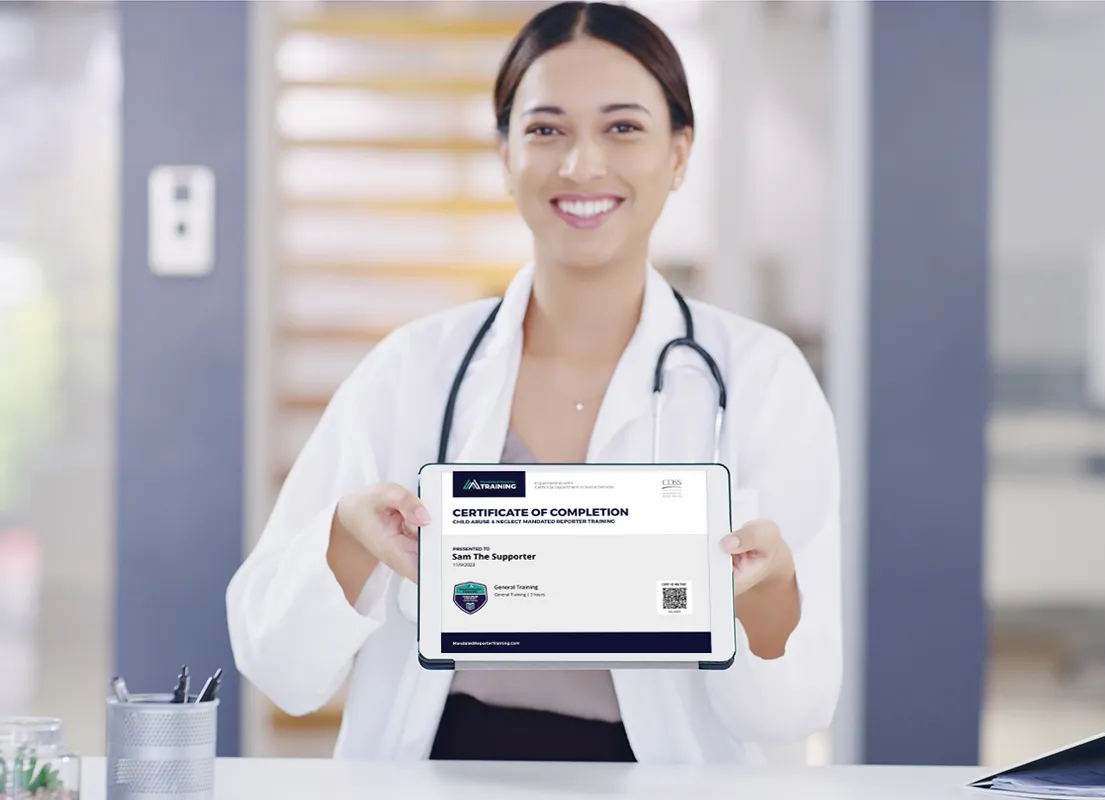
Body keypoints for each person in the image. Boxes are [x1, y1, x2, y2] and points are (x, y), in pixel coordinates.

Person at [227, 0, 842, 765]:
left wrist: (770, 599)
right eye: (546, 129)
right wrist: (349, 545)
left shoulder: (759, 379)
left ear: (680, 153)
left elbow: (791, 713)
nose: (582, 164)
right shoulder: (412, 370)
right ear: (505, 155)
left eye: (623, 127)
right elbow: (278, 667)